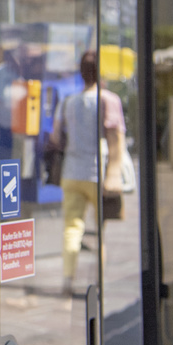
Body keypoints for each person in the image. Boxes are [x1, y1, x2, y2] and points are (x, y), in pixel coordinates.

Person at [52, 49, 125, 295]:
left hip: (71, 173)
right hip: (97, 173)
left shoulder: (67, 102)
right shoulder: (108, 100)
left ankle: (67, 282)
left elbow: (55, 139)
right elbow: (116, 141)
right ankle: (100, 284)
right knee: (99, 231)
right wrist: (114, 174)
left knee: (72, 228)